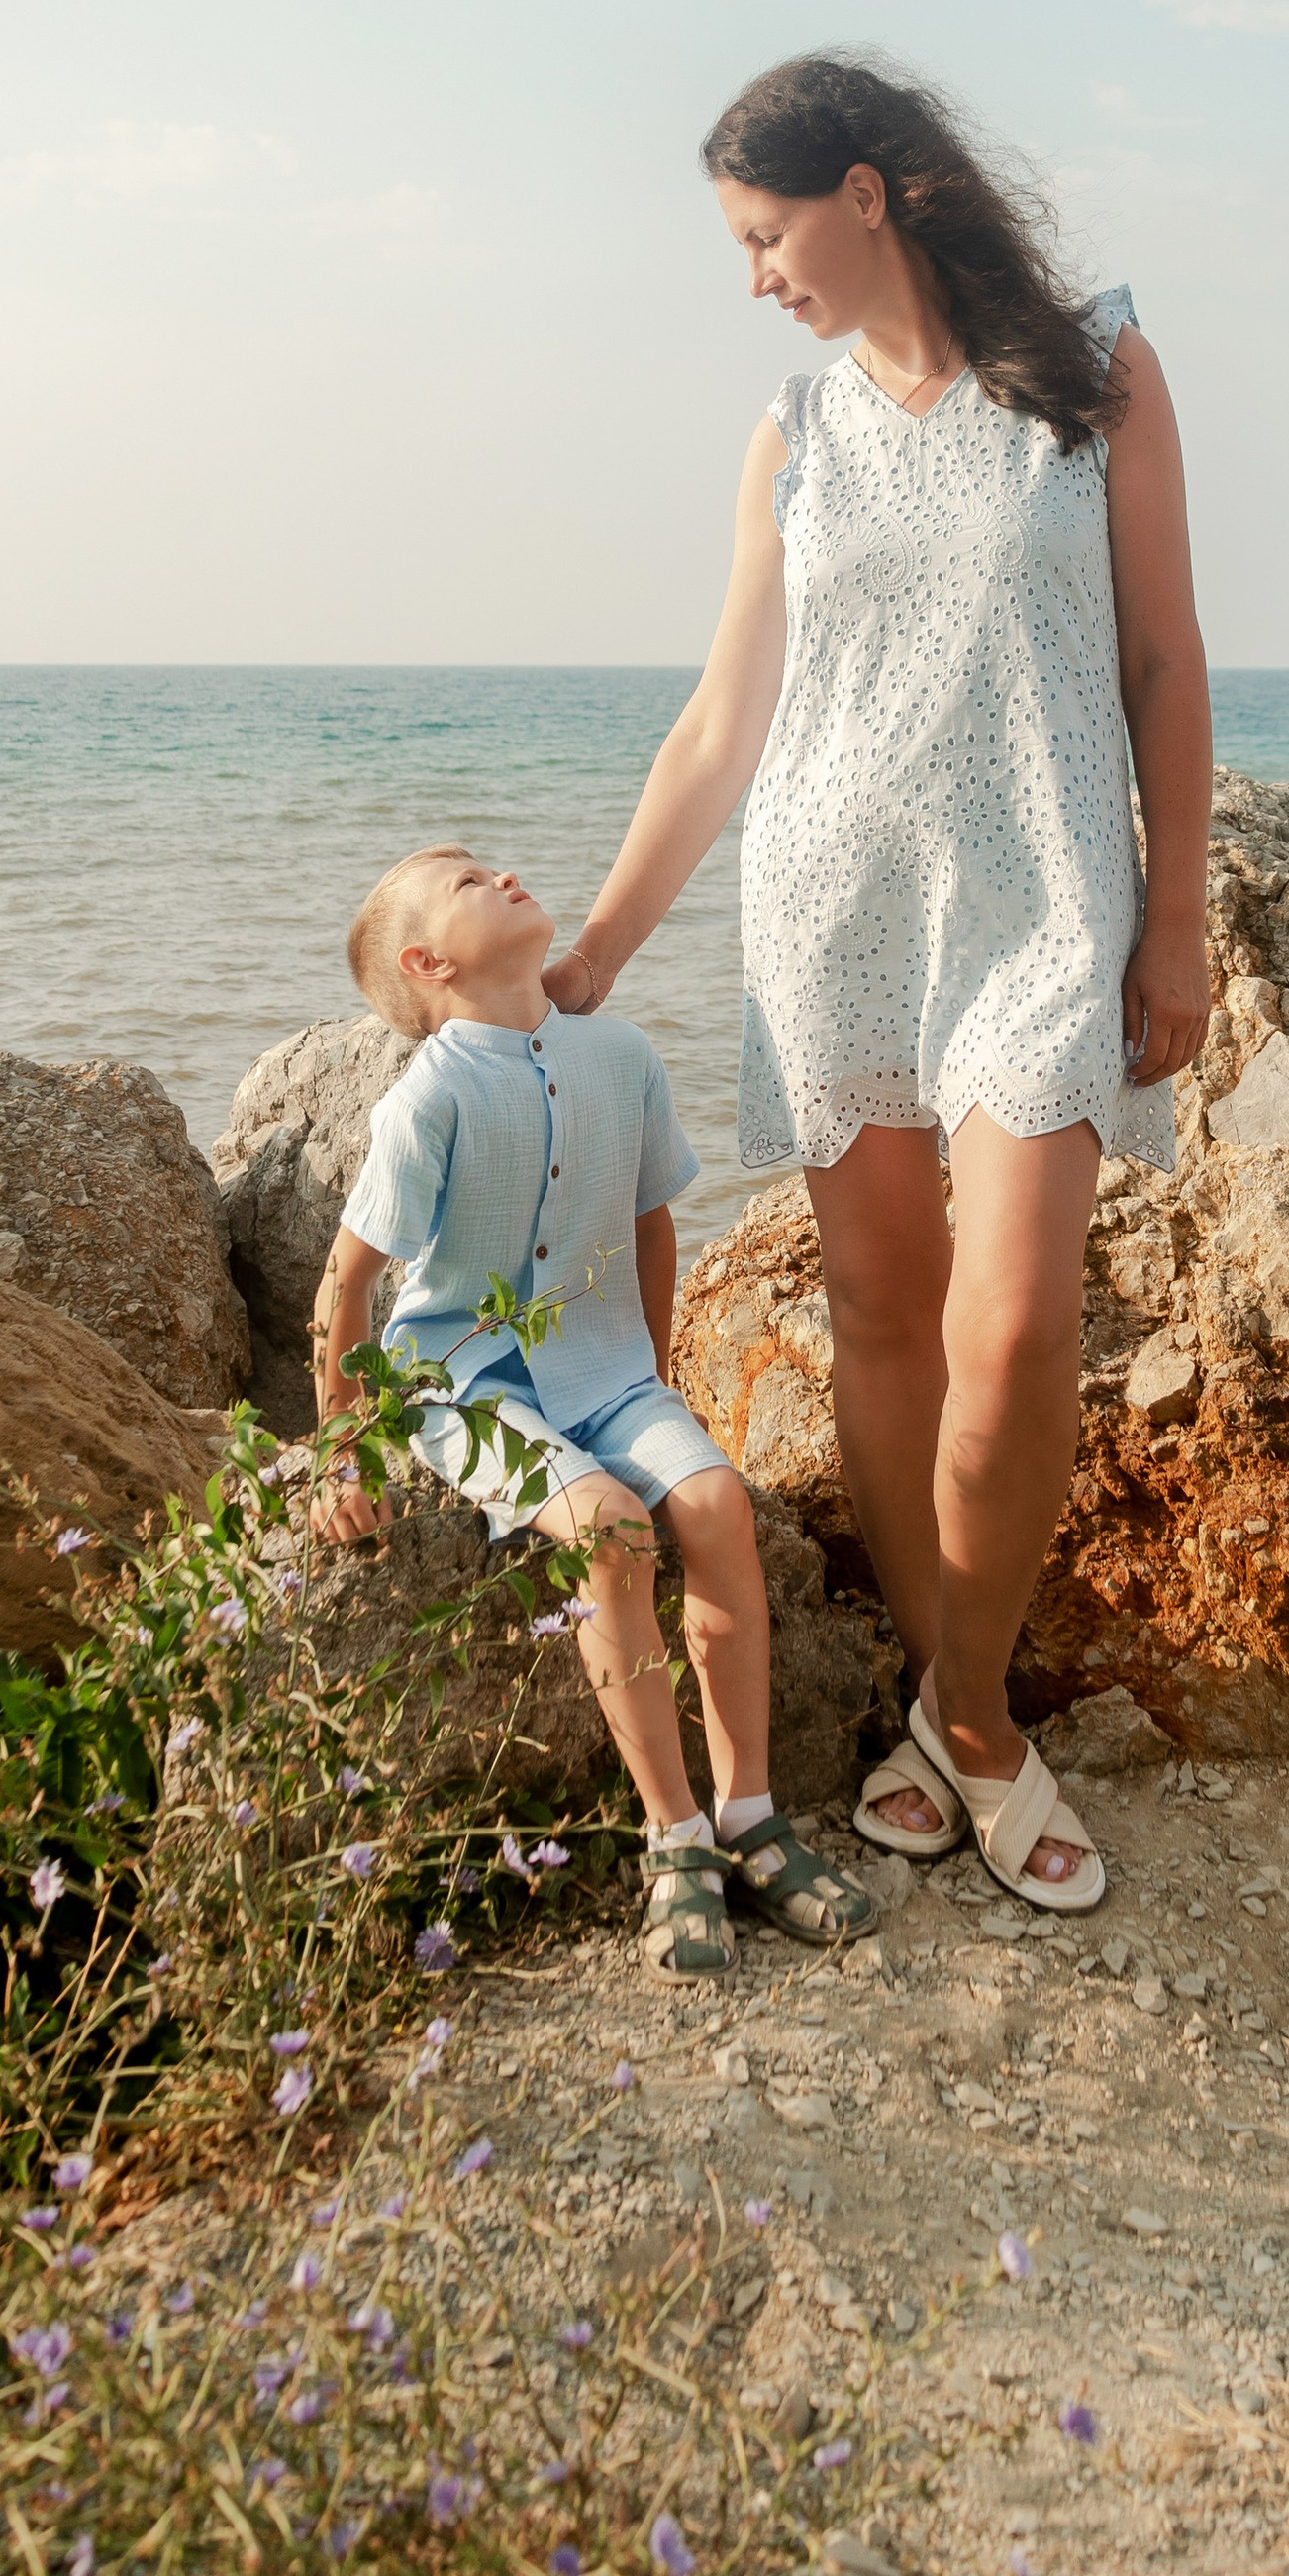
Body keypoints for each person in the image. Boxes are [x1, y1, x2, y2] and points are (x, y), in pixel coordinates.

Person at [542, 56, 1213, 1915]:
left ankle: (979, 1718)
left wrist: (1180, 918)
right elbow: (721, 722)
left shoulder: (1099, 378)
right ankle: (946, 1703)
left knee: (1014, 1323)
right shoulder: (796, 434)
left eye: (765, 236)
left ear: (868, 191)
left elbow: (1163, 655)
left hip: (1049, 906)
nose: (756, 275)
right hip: (833, 901)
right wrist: (602, 937)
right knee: (879, 1311)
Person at [308, 840, 876, 1983]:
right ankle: (672, 1837)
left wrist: (650, 1377)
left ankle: (750, 1813)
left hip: (610, 1369)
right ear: (429, 964)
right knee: (612, 1528)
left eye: (493, 862)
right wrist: (342, 1452)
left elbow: (653, 1222)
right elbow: (349, 1284)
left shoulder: (619, 1055)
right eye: (467, 882)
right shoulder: (431, 1095)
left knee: (713, 1502)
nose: (501, 874)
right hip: (459, 1382)